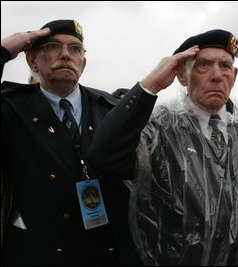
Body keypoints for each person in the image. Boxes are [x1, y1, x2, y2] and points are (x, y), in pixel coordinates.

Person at [88, 29, 238, 265]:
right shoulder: (159, 127)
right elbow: (104, 156)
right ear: (182, 76)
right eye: (204, 65)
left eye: (225, 66)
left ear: (235, 75)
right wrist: (150, 85)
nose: (217, 75)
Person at [1, 19, 141, 265]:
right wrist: (3, 51)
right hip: (42, 253)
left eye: (75, 49)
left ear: (83, 64)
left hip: (105, 252)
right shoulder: (11, 107)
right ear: (32, 60)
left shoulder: (112, 109)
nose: (66, 54)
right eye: (54, 46)